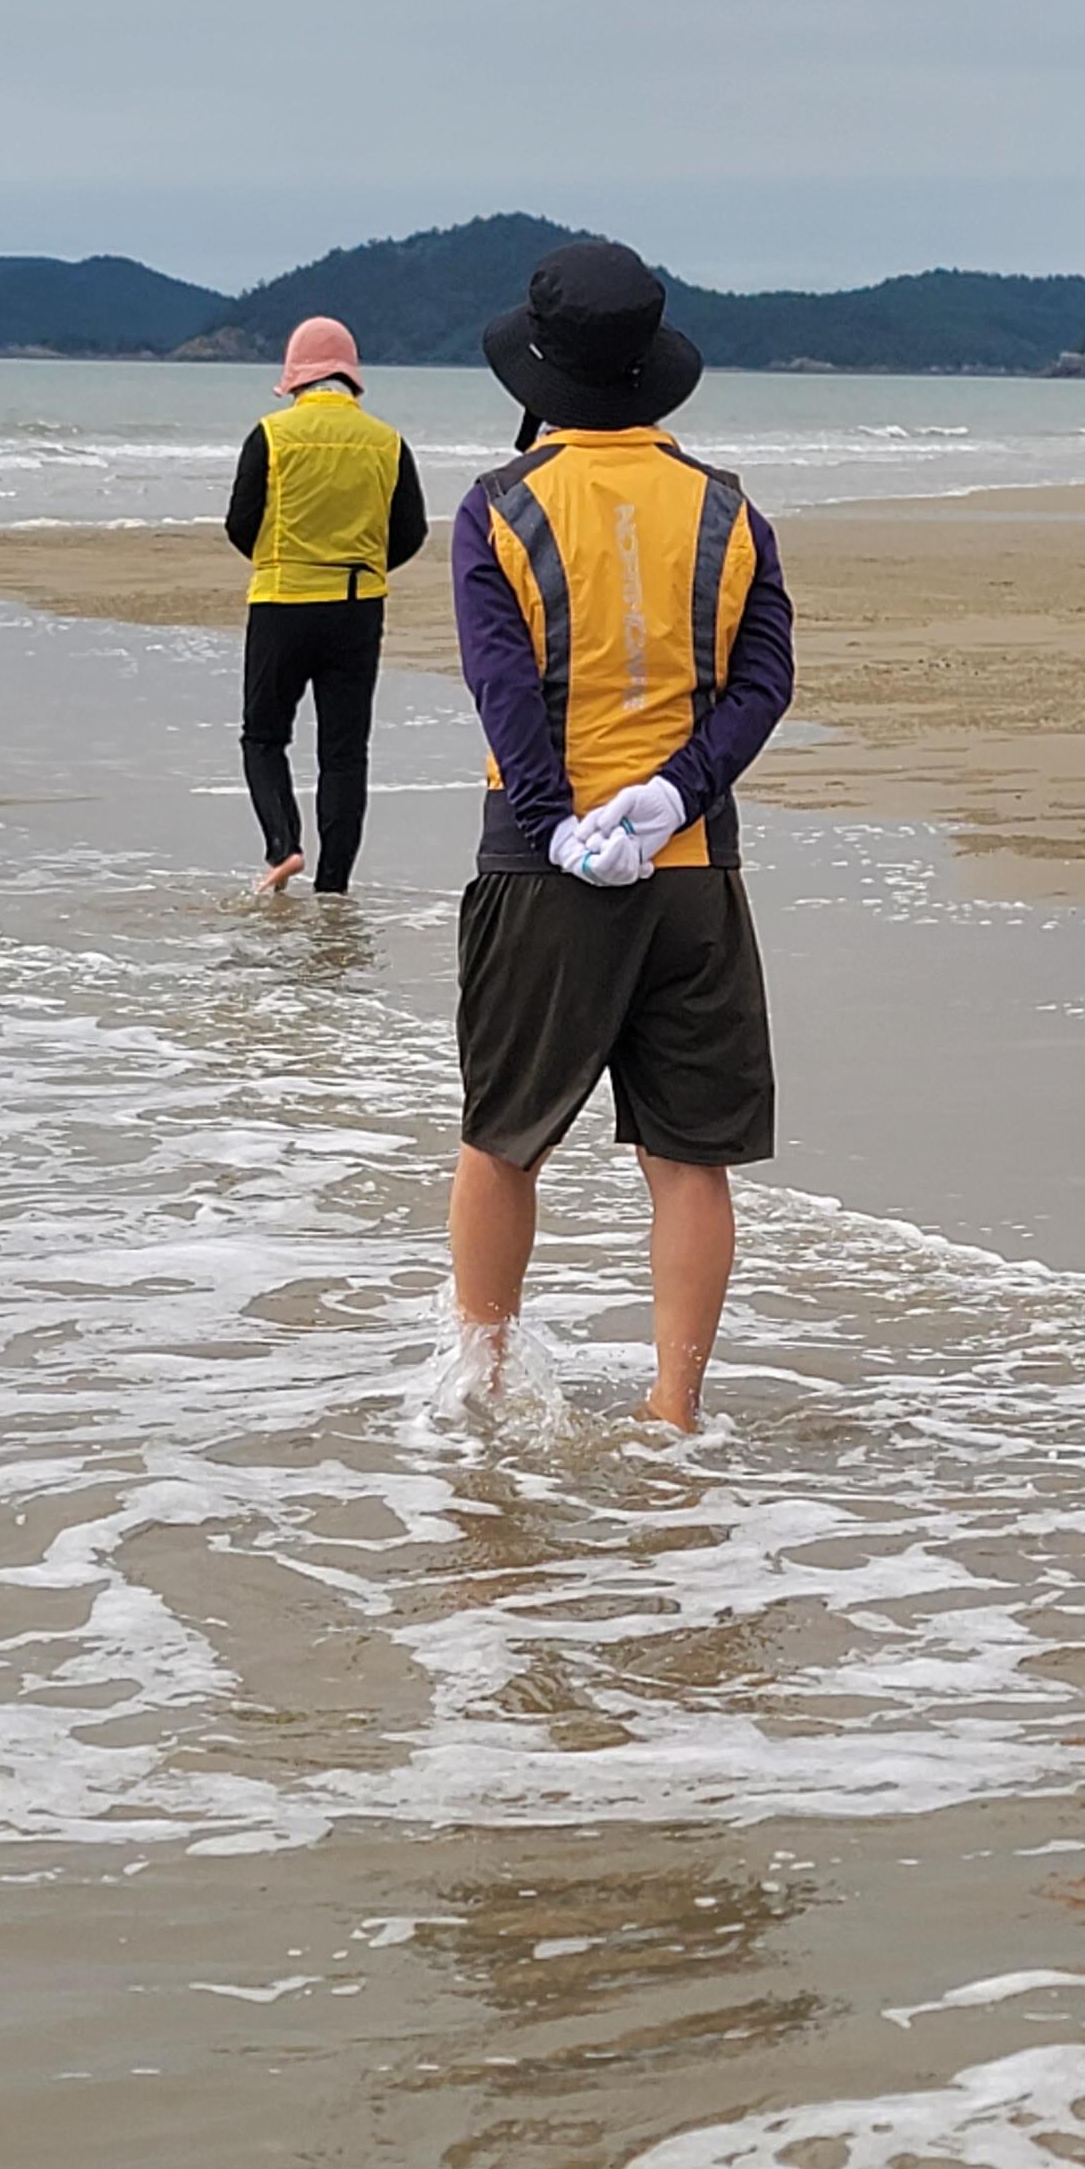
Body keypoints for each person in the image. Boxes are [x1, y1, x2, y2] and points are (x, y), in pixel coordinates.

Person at [446, 237, 796, 1430]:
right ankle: (674, 1405)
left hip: (542, 875)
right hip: (693, 871)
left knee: (504, 1139)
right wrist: (675, 795)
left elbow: (503, 687)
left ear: (541, 374)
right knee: (689, 1158)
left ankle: (483, 1382)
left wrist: (554, 824)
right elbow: (763, 684)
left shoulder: (501, 508)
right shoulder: (730, 510)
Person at [225, 315, 429, 897]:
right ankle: (334, 886)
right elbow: (411, 531)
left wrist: (283, 561)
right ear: (350, 377)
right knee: (343, 754)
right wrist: (364, 566)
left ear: (295, 378)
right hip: (357, 609)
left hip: (282, 603)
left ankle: (283, 846)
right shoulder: (388, 442)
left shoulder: (271, 436)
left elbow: (240, 523)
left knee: (264, 737)